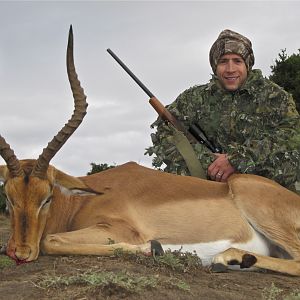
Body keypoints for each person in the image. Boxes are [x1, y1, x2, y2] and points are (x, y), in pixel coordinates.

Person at [146, 29, 300, 191]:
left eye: (237, 61)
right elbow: (166, 130)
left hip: (261, 177)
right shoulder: (193, 98)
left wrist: (235, 160)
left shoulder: (275, 96)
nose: (230, 69)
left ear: (247, 64)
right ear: (215, 66)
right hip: (207, 180)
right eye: (223, 61)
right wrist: (209, 163)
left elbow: (291, 135)